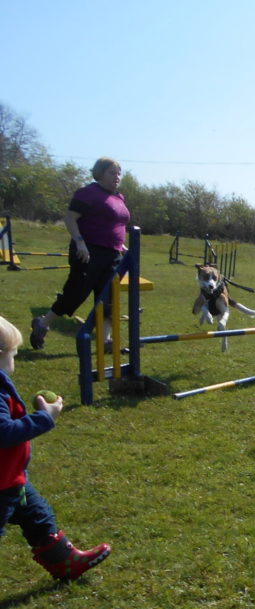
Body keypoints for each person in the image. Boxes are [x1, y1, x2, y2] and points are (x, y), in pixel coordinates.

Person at [0, 316, 111, 579]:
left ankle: (65, 561)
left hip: (12, 478)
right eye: (13, 355)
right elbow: (3, 433)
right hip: (1, 483)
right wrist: (45, 418)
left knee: (38, 515)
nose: (14, 361)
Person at [30, 157, 131, 351]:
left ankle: (105, 341)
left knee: (109, 298)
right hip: (88, 251)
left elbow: (115, 225)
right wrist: (79, 242)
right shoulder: (88, 193)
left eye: (119, 173)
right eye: (112, 172)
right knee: (76, 293)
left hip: (113, 254)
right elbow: (70, 218)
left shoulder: (119, 197)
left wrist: (122, 245)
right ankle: (43, 323)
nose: (117, 176)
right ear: (100, 173)